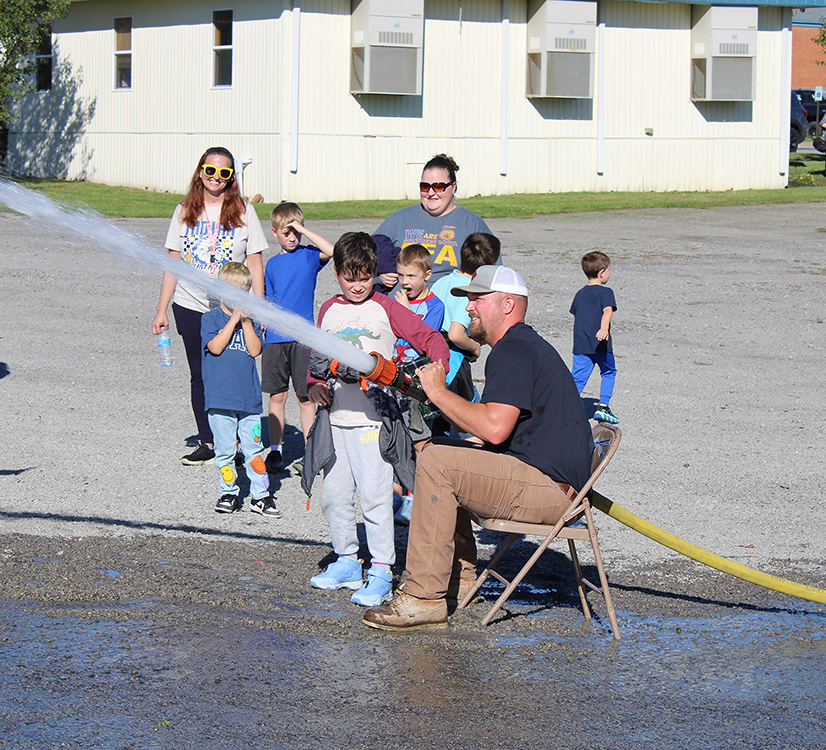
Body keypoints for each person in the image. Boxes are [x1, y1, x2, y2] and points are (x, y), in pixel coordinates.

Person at [362, 265, 594, 631]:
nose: (468, 307)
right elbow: (501, 427)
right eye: (467, 298)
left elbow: (496, 428)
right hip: (549, 481)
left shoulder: (513, 349)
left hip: (553, 492)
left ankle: (424, 597)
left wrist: (438, 393)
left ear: (507, 305)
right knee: (437, 448)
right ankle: (459, 575)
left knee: (438, 459)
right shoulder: (519, 346)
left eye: (476, 299)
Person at [303, 232, 449, 608]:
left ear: (375, 273)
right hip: (335, 421)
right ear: (335, 274)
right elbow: (318, 361)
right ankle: (347, 560)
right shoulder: (327, 311)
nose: (357, 285)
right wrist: (315, 385)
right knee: (334, 497)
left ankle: (382, 568)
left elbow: (431, 339)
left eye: (365, 277)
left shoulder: (386, 307)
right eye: (349, 278)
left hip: (375, 424)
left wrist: (438, 371)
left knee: (375, 497)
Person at [152, 146, 268, 466]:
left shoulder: (244, 211)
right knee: (200, 373)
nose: (216, 177)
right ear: (200, 172)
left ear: (231, 178)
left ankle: (240, 437)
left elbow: (255, 264)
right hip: (189, 304)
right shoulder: (184, 211)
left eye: (224, 173)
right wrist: (162, 309)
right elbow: (172, 262)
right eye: (210, 170)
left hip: (233, 308)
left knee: (235, 369)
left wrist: (258, 307)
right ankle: (209, 440)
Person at [262, 201, 334, 478]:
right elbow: (266, 298)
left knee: (305, 397)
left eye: (295, 232)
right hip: (275, 340)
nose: (291, 237)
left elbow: (334, 251)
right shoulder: (271, 264)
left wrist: (304, 228)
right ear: (274, 233)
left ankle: (310, 451)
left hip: (303, 337)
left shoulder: (309, 256)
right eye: (285, 232)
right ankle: (276, 450)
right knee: (276, 396)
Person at [200, 263, 273, 515]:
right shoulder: (209, 318)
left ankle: (260, 496)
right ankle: (228, 492)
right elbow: (216, 347)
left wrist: (247, 322)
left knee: (254, 450)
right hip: (220, 399)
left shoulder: (250, 321)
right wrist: (233, 319)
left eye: (242, 291)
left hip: (248, 400)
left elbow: (255, 350)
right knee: (225, 451)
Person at [373, 154, 494, 290]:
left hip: (447, 304)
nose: (430, 193)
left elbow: (492, 274)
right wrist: (380, 275)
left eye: (438, 186)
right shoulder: (400, 219)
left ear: (453, 187)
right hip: (400, 303)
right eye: (425, 186)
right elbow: (364, 255)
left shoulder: (472, 224)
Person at [390, 243, 445, 525]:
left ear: (427, 275)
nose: (405, 282)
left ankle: (422, 493)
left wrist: (404, 312)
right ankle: (399, 495)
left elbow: (423, 338)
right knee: (396, 435)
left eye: (411, 276)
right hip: (394, 376)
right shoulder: (395, 297)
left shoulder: (435, 305)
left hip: (416, 381)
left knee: (420, 438)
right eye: (401, 275)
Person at [430, 232, 501, 407]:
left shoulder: (441, 282)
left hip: (432, 353)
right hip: (453, 359)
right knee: (467, 410)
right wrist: (474, 347)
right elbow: (455, 334)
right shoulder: (467, 293)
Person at [570, 251, 619, 425]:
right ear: (601, 273)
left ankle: (566, 407)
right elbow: (607, 311)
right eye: (609, 270)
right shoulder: (606, 293)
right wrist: (603, 328)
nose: (609, 274)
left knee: (578, 377)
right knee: (608, 371)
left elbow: (577, 317)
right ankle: (603, 407)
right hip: (600, 344)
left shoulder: (580, 294)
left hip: (581, 343)